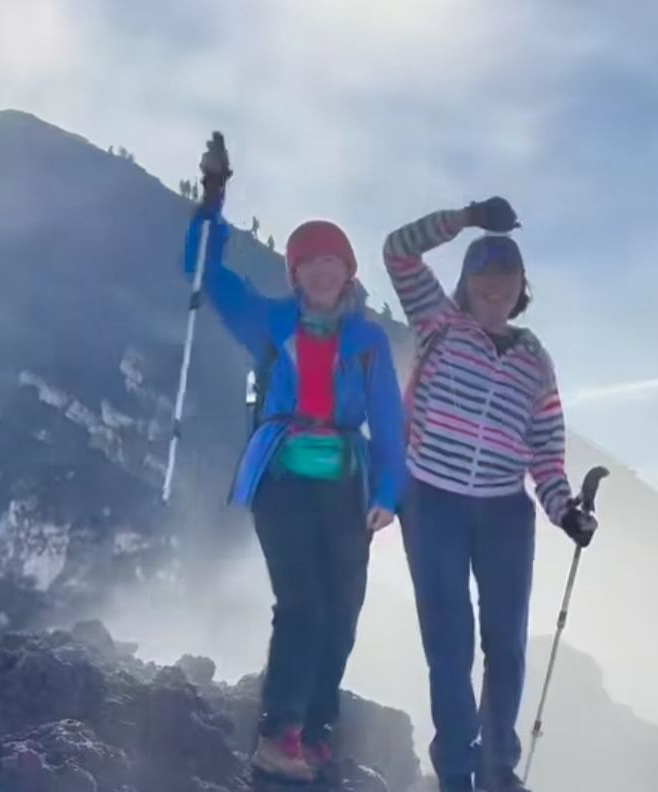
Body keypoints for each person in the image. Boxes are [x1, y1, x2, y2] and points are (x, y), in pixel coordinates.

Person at [187, 147, 406, 782]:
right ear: (294, 272)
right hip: (281, 475)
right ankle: (278, 731)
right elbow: (203, 270)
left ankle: (314, 729)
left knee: (343, 608)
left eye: (330, 261)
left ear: (347, 271)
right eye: (307, 262)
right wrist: (212, 200)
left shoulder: (367, 344)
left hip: (346, 481)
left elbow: (391, 428)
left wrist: (389, 492)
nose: (320, 271)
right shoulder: (270, 319)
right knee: (303, 600)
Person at [383, 197, 596, 792]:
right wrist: (468, 217)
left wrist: (567, 512)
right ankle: (457, 772)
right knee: (449, 646)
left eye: (507, 279)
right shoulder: (438, 323)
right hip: (432, 501)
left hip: (504, 509)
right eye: (484, 277)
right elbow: (398, 251)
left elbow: (545, 454)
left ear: (521, 288)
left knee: (505, 647)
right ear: (465, 283)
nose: (495, 288)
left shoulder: (535, 361)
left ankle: (498, 770)